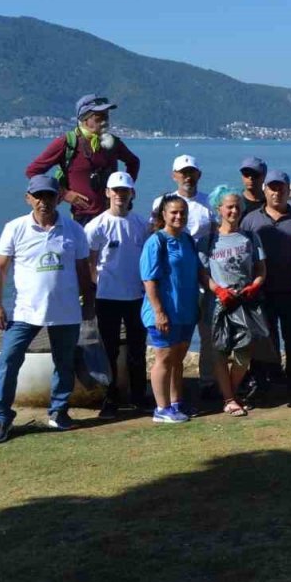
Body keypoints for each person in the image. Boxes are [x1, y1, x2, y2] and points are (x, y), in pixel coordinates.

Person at [0, 176, 93, 441]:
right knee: (8, 360)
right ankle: (2, 416)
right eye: (38, 196)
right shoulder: (15, 228)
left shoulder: (74, 230)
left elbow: (83, 270)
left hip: (66, 311)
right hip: (25, 312)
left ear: (58, 198)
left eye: (49, 195)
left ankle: (58, 412)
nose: (44, 201)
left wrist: (89, 304)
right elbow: (1, 268)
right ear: (28, 198)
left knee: (64, 363)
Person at [84, 171, 150, 416]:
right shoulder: (96, 225)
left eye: (125, 191)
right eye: (116, 190)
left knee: (137, 349)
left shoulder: (141, 224)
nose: (120, 195)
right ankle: (110, 399)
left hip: (137, 297)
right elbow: (89, 262)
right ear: (107, 193)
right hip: (107, 298)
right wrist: (95, 287)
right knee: (108, 350)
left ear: (132, 193)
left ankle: (139, 397)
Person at [153, 154, 216, 397]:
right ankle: (170, 393)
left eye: (191, 172)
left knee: (208, 334)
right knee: (174, 341)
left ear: (199, 175)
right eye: (183, 172)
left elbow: (216, 236)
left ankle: (208, 382)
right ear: (174, 175)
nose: (187, 177)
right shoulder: (163, 202)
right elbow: (155, 234)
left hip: (204, 276)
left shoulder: (209, 203)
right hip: (174, 282)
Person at [241, 170, 291, 401]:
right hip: (261, 292)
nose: (276, 193)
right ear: (265, 190)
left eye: (281, 188)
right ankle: (263, 383)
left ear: (288, 190)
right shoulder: (250, 220)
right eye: (272, 188)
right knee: (263, 341)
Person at [26, 94, 140, 226]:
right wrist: (64, 194)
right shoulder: (67, 143)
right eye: (99, 116)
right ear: (85, 119)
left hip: (113, 215)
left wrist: (126, 188)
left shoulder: (113, 143)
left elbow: (133, 162)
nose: (104, 120)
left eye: (106, 115)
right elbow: (33, 171)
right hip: (83, 217)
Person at [201, 186, 265, 417]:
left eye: (237, 207)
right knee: (219, 351)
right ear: (219, 209)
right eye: (229, 207)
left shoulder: (251, 237)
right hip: (217, 304)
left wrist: (254, 285)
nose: (234, 211)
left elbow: (261, 269)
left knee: (244, 352)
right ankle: (229, 399)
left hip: (244, 302)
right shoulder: (208, 240)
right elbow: (202, 273)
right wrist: (217, 290)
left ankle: (231, 390)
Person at [140, 195, 201, 424]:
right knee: (164, 358)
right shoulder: (156, 241)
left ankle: (176, 402)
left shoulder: (187, 240)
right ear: (163, 215)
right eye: (173, 212)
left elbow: (196, 272)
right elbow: (149, 280)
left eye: (182, 212)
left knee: (178, 358)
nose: (178, 216)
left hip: (185, 310)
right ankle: (161, 409)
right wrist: (159, 312)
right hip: (163, 312)